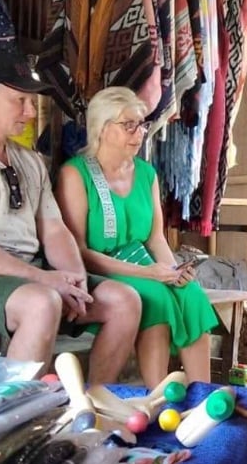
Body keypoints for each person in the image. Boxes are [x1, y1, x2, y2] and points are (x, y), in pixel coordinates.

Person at [0, 51, 140, 381]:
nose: (31, 112)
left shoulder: (29, 161)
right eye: (20, 100)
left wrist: (74, 278)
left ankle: (91, 405)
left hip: (26, 271)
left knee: (124, 300)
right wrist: (44, 279)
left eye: (31, 102)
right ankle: (15, 417)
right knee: (42, 303)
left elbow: (54, 229)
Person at [55, 87, 220, 387]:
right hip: (97, 270)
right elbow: (78, 251)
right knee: (154, 296)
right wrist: (149, 274)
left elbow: (156, 238)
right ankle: (155, 399)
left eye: (141, 124)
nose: (139, 132)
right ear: (102, 129)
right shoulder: (75, 174)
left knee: (192, 294)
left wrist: (173, 271)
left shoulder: (146, 173)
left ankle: (202, 397)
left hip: (144, 265)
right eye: (128, 125)